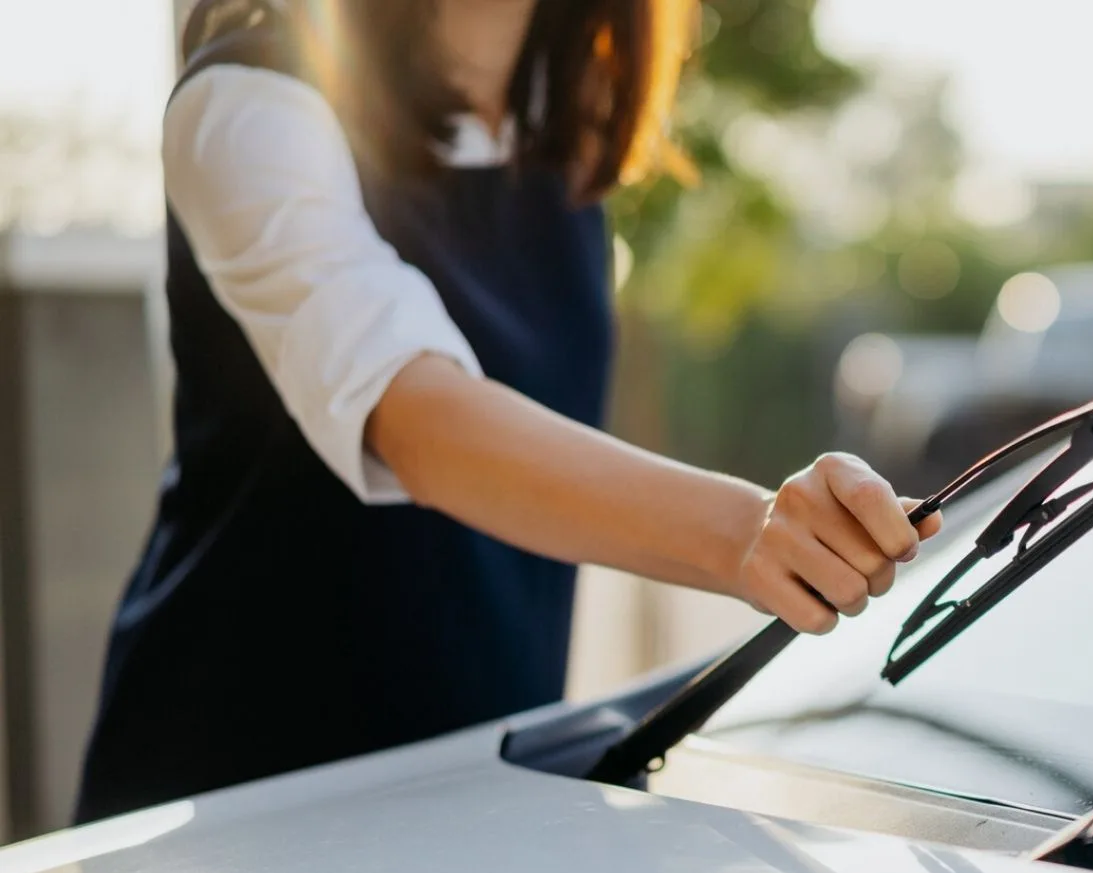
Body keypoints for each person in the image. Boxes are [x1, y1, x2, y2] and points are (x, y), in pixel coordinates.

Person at [73, 0, 942, 823]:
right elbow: (417, 420)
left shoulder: (564, 118)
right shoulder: (251, 100)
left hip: (482, 778)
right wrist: (748, 532)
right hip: (240, 792)